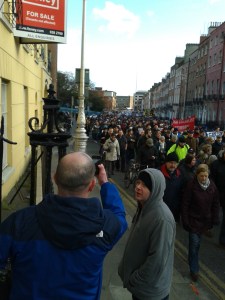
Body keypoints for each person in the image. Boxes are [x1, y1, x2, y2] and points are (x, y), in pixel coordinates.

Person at [0, 152, 127, 300]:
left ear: (55, 178)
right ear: (92, 185)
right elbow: (119, 214)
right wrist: (105, 183)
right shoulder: (105, 226)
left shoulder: (19, 222)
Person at [118, 168, 176, 300]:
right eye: (138, 182)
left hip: (149, 292)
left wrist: (135, 280)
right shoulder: (144, 207)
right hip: (140, 288)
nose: (138, 187)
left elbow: (157, 261)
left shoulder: (162, 219)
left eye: (144, 185)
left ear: (155, 189)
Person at [181, 164, 220, 282]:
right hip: (193, 220)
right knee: (193, 245)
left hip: (205, 221)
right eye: (201, 176)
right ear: (197, 175)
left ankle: (193, 262)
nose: (203, 178)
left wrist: (215, 218)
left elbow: (215, 203)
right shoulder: (191, 186)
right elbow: (185, 203)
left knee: (197, 246)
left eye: (205, 176)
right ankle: (194, 270)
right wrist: (185, 219)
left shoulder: (212, 186)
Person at [161, 152, 184, 222]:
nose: (173, 165)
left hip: (173, 211)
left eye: (175, 163)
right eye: (171, 162)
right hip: (161, 210)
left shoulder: (180, 175)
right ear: (166, 162)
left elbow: (181, 193)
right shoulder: (159, 174)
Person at [210, 150, 225, 246]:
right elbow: (212, 179)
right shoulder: (216, 164)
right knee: (212, 211)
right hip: (216, 193)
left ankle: (223, 240)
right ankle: (208, 227)